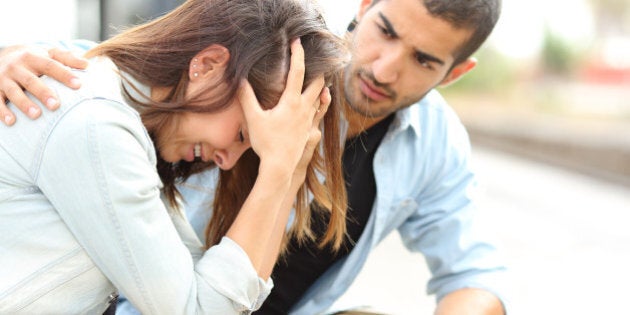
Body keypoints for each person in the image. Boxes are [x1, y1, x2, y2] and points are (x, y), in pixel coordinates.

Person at [0, 0, 508, 314]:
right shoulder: (278, 66)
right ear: (367, 4)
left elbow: (474, 275)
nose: (385, 68)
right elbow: (117, 72)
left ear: (455, 72)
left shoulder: (434, 142)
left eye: (424, 60)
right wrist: (7, 57)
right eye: (388, 32)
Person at [0, 0, 350, 313]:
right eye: (243, 134)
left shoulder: (134, 133)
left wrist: (291, 169)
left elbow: (218, 297)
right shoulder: (97, 127)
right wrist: (276, 170)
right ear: (209, 65)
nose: (227, 161)